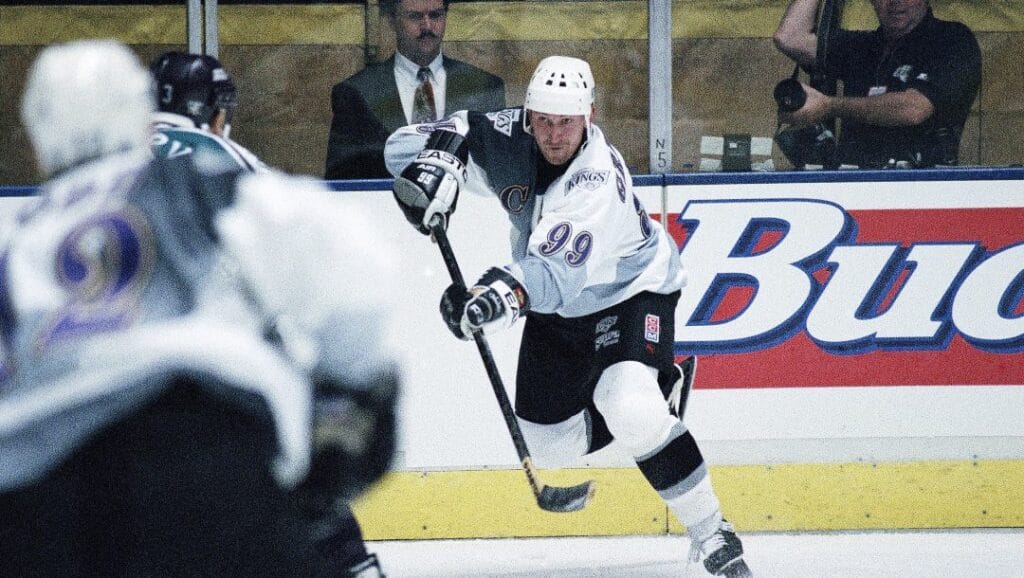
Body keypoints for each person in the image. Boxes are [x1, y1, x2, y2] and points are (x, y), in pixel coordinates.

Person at [0, 39, 399, 576]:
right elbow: (350, 262)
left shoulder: (15, 236)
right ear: (138, 115)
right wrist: (348, 389)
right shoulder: (197, 177)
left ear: (36, 142)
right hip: (197, 450)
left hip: (33, 497)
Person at [384, 55, 753, 578]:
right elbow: (412, 144)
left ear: (590, 117)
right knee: (547, 447)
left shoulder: (594, 183)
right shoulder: (510, 135)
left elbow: (552, 278)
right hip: (556, 307)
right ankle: (643, 399)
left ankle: (713, 532)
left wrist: (487, 301)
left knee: (628, 405)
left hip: (629, 293)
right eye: (544, 121)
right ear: (528, 113)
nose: (554, 135)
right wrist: (436, 170)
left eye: (567, 123)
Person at [149, 49, 387, 577]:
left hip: (109, 402)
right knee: (302, 483)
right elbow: (309, 259)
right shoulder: (222, 157)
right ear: (213, 111)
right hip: (221, 383)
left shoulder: (102, 169)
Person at [773, 0, 981, 168]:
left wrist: (829, 106)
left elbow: (914, 109)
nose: (895, 2)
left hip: (922, 190)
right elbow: (790, 38)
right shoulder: (864, 47)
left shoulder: (952, 40)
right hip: (855, 187)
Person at [325, 0, 505, 179]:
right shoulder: (356, 92)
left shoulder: (484, 88)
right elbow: (341, 181)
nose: (427, 26)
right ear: (392, 21)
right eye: (415, 16)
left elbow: (500, 172)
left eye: (435, 15)